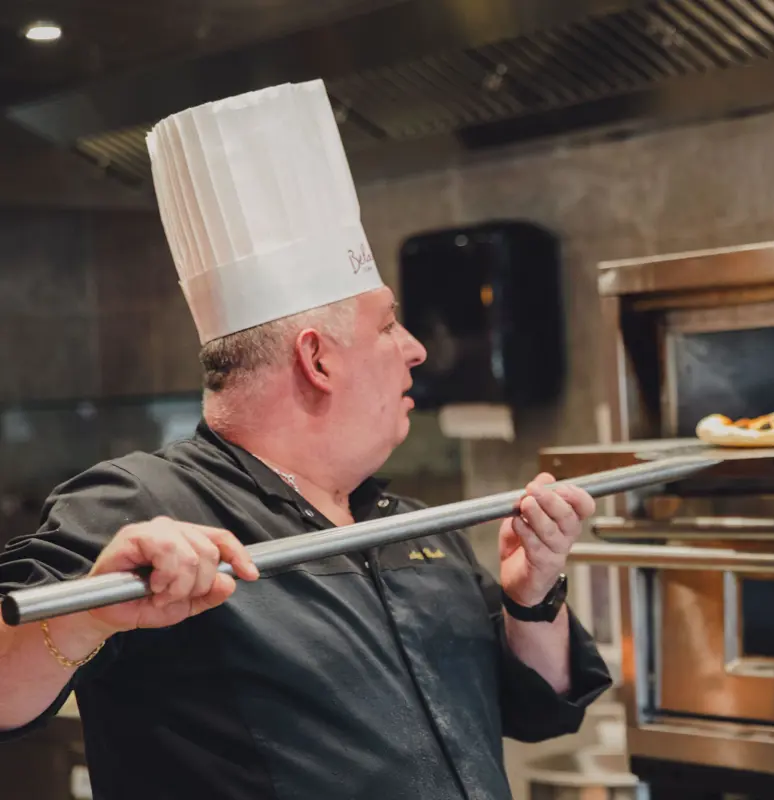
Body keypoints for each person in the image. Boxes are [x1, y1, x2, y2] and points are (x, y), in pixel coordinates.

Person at [0, 80, 611, 799]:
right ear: (317, 359)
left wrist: (532, 597)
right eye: (388, 325)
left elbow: (538, 711)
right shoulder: (140, 504)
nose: (416, 348)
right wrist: (92, 610)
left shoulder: (412, 526)